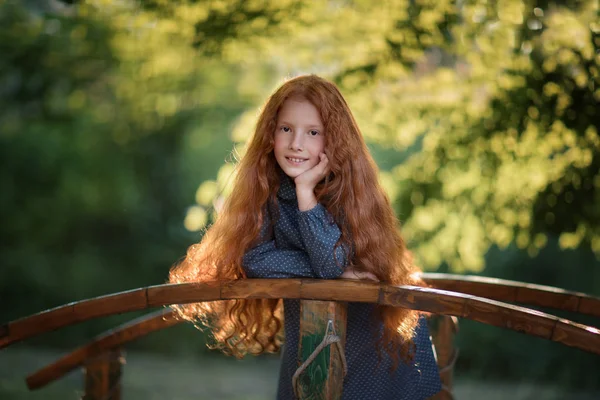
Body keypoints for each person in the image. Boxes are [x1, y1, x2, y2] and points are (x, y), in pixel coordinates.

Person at [169, 75, 442, 399]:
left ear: (334, 140)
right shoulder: (266, 191)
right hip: (311, 335)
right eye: (286, 129)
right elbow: (251, 259)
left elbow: (329, 264)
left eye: (313, 133)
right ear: (270, 134)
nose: (296, 143)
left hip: (372, 340)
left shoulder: (353, 193)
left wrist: (306, 196)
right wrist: (331, 270)